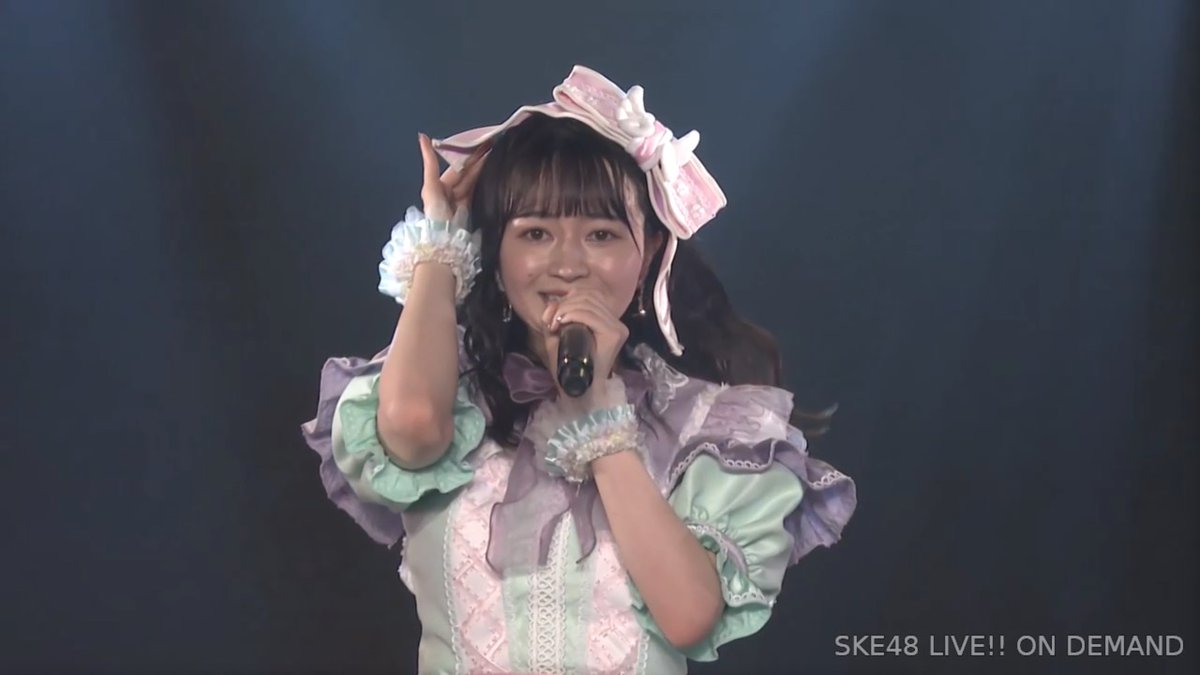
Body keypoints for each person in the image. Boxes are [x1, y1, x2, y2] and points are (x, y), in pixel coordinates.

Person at [301, 65, 856, 674]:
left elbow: (690, 618)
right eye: (535, 232)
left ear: (647, 254)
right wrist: (441, 242)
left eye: (601, 235)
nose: (567, 264)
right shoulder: (446, 391)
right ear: (496, 250)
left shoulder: (702, 425)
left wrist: (600, 418)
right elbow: (410, 430)